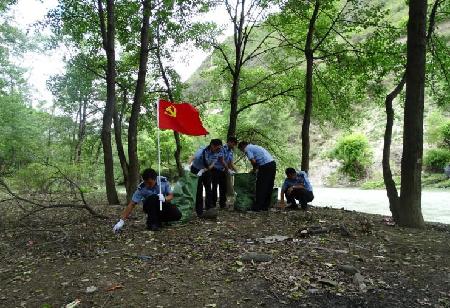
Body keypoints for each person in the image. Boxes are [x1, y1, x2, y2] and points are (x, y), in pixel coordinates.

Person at [112, 168, 181, 232]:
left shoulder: (163, 181)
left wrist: (164, 198)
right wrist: (121, 221)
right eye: (146, 182)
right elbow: (132, 204)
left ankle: (158, 220)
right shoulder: (141, 188)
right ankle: (152, 223)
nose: (147, 185)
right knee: (153, 197)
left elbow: (171, 195)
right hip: (149, 206)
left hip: (162, 205)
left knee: (177, 215)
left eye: (150, 183)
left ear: (155, 179)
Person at [238, 141, 276, 211]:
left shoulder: (247, 148)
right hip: (272, 164)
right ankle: (265, 206)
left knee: (260, 186)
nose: (243, 151)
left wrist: (254, 169)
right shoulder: (255, 146)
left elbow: (253, 161)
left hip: (265, 166)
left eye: (241, 150)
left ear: (243, 146)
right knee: (269, 186)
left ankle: (257, 207)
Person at [189, 139, 223, 216]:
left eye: (219, 148)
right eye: (217, 148)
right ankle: (199, 211)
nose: (218, 150)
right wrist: (187, 166)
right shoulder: (202, 150)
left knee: (208, 189)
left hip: (205, 170)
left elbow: (212, 165)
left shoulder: (217, 153)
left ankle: (209, 208)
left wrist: (204, 170)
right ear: (212, 145)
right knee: (199, 190)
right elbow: (192, 157)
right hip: (195, 169)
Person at [211, 136, 238, 208]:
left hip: (223, 170)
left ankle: (222, 204)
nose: (234, 146)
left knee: (223, 187)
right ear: (229, 142)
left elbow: (231, 163)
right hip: (215, 169)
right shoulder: (222, 148)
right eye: (233, 144)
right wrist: (228, 169)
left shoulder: (231, 151)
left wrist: (236, 171)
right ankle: (213, 204)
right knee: (214, 186)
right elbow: (221, 160)